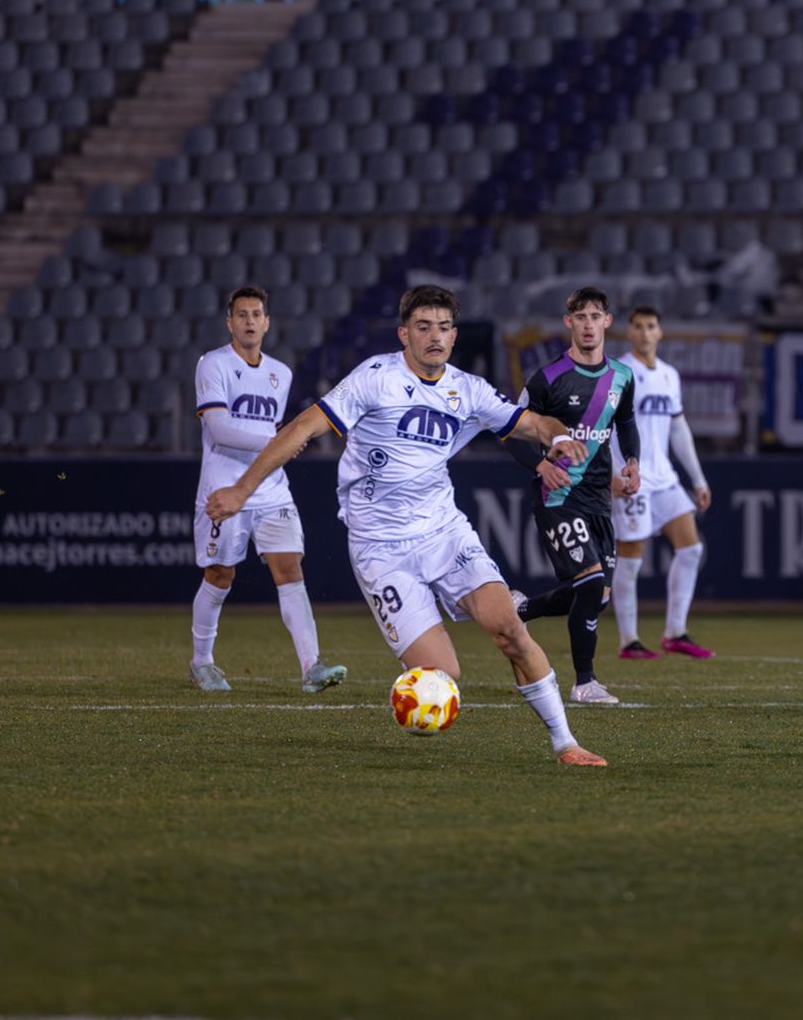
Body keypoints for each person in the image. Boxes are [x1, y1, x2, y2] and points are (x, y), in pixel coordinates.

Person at [206, 285, 608, 767]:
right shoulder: (375, 379)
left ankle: (566, 744)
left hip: (443, 532)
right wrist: (241, 490)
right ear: (404, 334)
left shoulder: (468, 389)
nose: (434, 336)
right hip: (380, 548)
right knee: (443, 675)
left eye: (442, 327)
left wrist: (559, 436)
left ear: (454, 336)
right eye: (423, 327)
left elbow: (532, 424)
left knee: (509, 631)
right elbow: (298, 430)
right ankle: (417, 695)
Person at [189, 286, 347, 695]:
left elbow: (270, 431)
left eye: (256, 314)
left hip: (272, 487)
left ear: (267, 322)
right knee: (220, 575)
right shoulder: (213, 365)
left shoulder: (281, 372)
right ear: (230, 323)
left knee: (290, 568)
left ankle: (312, 666)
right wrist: (279, 443)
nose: (249, 321)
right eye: (241, 315)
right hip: (224, 488)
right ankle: (202, 661)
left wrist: (278, 443)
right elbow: (220, 430)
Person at [505, 288, 641, 705]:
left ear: (607, 321)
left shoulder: (622, 377)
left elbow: (626, 421)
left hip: (600, 497)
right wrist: (540, 465)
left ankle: (520, 612)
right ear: (568, 322)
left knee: (597, 597)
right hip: (557, 495)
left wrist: (632, 461)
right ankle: (584, 683)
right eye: (579, 316)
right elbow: (512, 429)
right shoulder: (547, 379)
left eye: (595, 316)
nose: (587, 324)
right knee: (592, 582)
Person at [606, 306, 713, 660]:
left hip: (665, 478)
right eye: (637, 327)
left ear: (660, 332)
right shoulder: (619, 373)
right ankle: (629, 640)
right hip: (632, 479)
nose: (644, 333)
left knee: (691, 548)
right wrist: (613, 473)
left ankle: (675, 632)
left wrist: (696, 479)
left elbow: (679, 430)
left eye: (650, 326)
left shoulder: (669, 375)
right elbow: (604, 427)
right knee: (632, 558)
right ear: (629, 332)